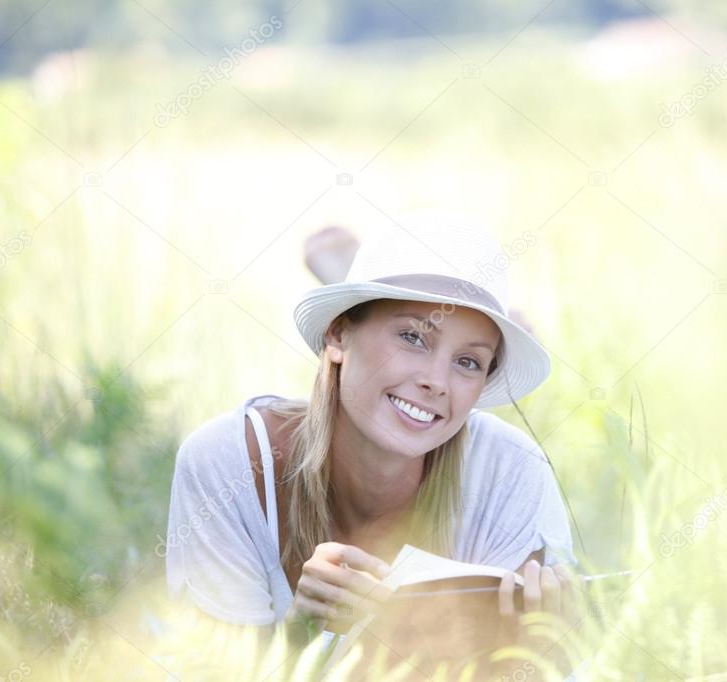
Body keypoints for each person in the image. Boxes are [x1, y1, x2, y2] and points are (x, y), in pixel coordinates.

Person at [163, 212, 580, 672]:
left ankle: (360, 287)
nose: (437, 383)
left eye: (468, 362)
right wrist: (299, 632)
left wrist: (541, 658)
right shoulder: (229, 463)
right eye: (412, 337)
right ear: (337, 333)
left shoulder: (510, 470)